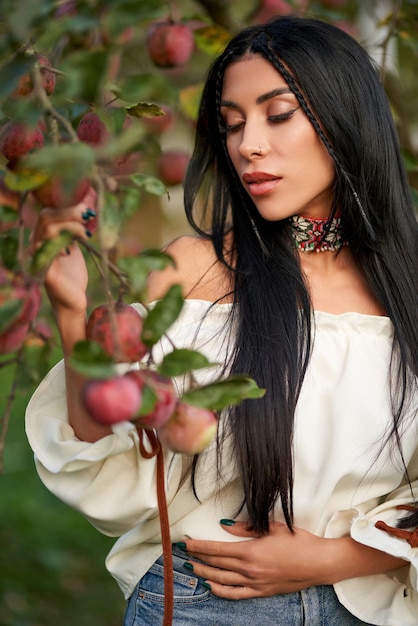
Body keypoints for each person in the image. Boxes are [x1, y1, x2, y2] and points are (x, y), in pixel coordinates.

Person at [25, 15, 418, 626]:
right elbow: (110, 454)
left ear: (345, 117)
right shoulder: (195, 271)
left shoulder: (407, 288)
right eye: (232, 125)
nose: (248, 145)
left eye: (278, 113)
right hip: (205, 603)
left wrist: (337, 558)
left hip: (372, 608)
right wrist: (75, 315)